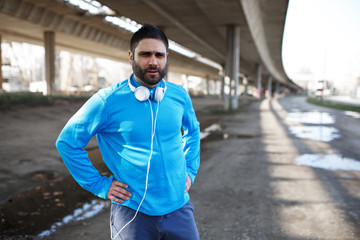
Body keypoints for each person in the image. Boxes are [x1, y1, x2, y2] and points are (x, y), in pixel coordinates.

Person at [56, 24, 201, 240]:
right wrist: (99, 185)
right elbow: (67, 143)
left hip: (179, 208)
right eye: (146, 54)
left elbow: (193, 131)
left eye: (159, 55)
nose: (153, 61)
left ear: (166, 57)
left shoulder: (179, 95)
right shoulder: (106, 101)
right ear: (131, 56)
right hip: (133, 213)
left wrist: (190, 169)